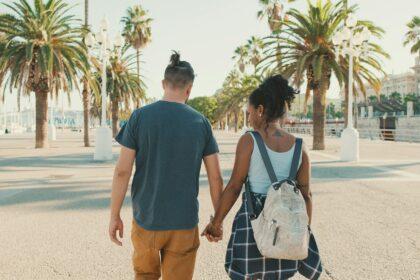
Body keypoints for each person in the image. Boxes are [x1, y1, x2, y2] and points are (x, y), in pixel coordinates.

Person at [109, 51, 223, 280]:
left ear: (163, 83)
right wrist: (217, 221)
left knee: (144, 275)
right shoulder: (201, 123)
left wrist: (114, 215)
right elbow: (215, 178)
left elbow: (122, 171)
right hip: (184, 223)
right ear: (189, 89)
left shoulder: (139, 117)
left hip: (147, 221)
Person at [202, 75, 322, 279]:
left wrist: (217, 222)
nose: (248, 119)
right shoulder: (300, 147)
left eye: (249, 113)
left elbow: (234, 186)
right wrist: (301, 231)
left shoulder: (249, 141)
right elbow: (306, 195)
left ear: (260, 110)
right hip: (284, 228)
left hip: (253, 222)